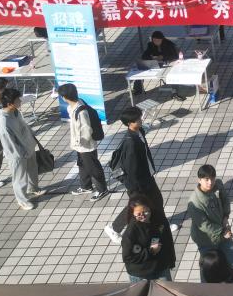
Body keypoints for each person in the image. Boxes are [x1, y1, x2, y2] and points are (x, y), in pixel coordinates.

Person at [105, 107, 173, 243]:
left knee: (157, 200)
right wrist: (137, 188)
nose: (140, 120)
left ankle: (162, 224)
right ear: (129, 123)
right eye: (137, 119)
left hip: (146, 176)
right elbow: (132, 169)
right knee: (136, 207)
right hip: (137, 183)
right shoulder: (131, 142)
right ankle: (113, 228)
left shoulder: (139, 131)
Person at [57, 83, 108, 202]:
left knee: (93, 167)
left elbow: (86, 130)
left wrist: (80, 143)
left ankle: (102, 189)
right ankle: (86, 186)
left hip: (85, 145)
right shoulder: (76, 104)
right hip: (80, 145)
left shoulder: (80, 111)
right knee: (82, 165)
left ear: (64, 97)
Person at [0, 88, 43, 210]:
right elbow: (9, 144)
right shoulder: (3, 122)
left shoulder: (15, 111)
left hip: (28, 147)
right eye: (17, 100)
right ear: (9, 104)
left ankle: (33, 188)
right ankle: (22, 200)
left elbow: (24, 127)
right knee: (20, 178)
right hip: (17, 155)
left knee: (32, 170)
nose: (20, 102)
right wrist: (21, 153)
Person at [188, 164, 233, 282]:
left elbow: (225, 200)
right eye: (206, 179)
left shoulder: (218, 185)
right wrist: (222, 231)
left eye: (212, 178)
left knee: (232, 257)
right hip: (206, 239)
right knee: (208, 266)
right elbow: (204, 225)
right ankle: (206, 288)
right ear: (199, 180)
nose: (210, 182)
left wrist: (225, 216)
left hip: (223, 231)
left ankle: (231, 280)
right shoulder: (195, 202)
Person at [122, 194, 176, 283]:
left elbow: (168, 240)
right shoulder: (130, 233)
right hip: (140, 273)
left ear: (150, 208)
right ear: (132, 213)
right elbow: (127, 257)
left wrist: (171, 260)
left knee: (167, 291)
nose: (143, 216)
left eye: (145, 212)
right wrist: (150, 251)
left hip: (161, 266)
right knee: (143, 293)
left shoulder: (159, 219)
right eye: (138, 214)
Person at [134, 31, 181, 96]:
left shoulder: (169, 44)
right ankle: (138, 89)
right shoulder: (150, 45)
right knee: (140, 71)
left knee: (172, 74)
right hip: (155, 63)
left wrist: (163, 57)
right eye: (154, 40)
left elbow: (175, 56)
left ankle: (174, 92)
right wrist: (152, 57)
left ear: (162, 39)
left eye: (158, 40)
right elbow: (144, 56)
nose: (156, 42)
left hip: (168, 63)